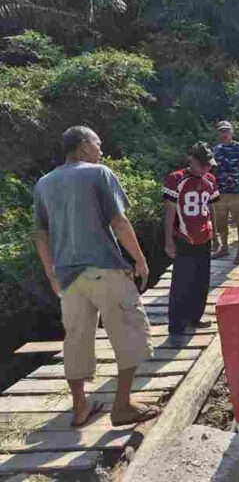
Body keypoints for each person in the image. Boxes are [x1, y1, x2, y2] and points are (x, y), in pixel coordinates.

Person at [33, 126, 159, 427]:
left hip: (68, 277)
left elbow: (41, 234)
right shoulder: (97, 173)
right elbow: (119, 221)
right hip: (104, 268)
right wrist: (140, 261)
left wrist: (52, 275)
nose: (101, 149)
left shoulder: (44, 184)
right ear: (82, 146)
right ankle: (123, 405)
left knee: (76, 339)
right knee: (130, 330)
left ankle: (80, 407)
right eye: (97, 143)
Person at [163, 143, 220, 336]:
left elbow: (210, 207)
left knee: (201, 279)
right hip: (183, 237)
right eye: (203, 165)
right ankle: (177, 324)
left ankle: (195, 316)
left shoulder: (210, 180)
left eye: (209, 165)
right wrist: (168, 240)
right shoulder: (176, 179)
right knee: (182, 280)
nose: (207, 169)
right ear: (192, 160)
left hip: (204, 236)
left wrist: (217, 234)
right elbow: (170, 211)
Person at [212, 121, 239, 264]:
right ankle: (224, 247)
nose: (224, 134)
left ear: (232, 133)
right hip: (220, 193)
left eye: (227, 131)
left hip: (237, 192)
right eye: (222, 132)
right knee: (221, 223)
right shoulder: (215, 150)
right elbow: (213, 172)